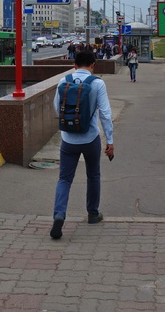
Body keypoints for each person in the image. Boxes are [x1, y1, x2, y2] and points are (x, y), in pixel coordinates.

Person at [50, 50, 114, 240]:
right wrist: (109, 140)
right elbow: (105, 113)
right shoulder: (97, 83)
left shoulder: (63, 81)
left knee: (64, 179)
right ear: (93, 65)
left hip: (68, 139)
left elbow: (56, 107)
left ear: (75, 64)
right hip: (90, 138)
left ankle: (59, 215)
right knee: (93, 175)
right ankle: (93, 214)